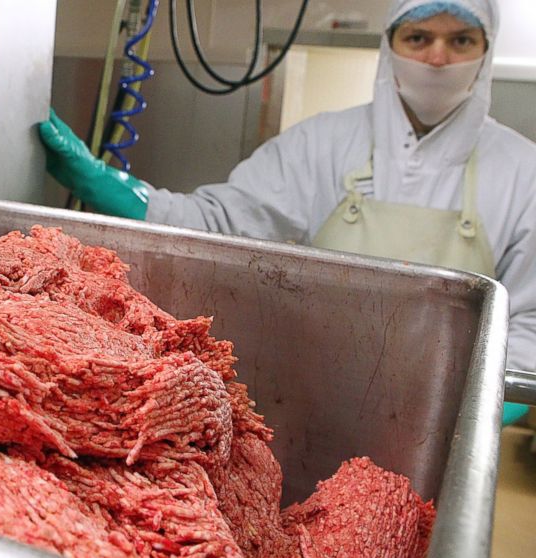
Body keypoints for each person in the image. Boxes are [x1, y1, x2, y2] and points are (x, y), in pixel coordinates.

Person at [39, 0, 536, 423]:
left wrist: (485, 412)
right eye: (419, 37)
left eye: (461, 42)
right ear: (390, 46)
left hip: (451, 417)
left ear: (485, 50)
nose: (437, 58)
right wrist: (110, 187)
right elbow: (221, 223)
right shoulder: (321, 142)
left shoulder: (522, 170)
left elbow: (529, 320)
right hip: (315, 399)